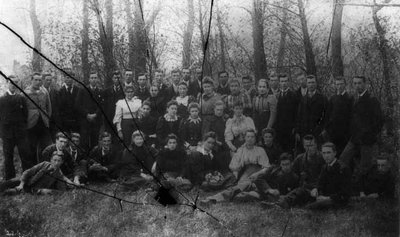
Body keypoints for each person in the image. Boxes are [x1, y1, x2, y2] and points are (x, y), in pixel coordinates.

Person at [200, 129, 270, 204]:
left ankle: (214, 199)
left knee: (239, 189)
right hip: (243, 174)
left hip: (257, 174)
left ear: (255, 138)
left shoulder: (260, 150)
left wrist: (257, 174)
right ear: (245, 138)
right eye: (248, 136)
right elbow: (233, 166)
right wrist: (239, 168)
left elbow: (266, 167)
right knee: (237, 187)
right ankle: (214, 199)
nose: (250, 139)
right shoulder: (240, 150)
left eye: (252, 137)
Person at [340, 76, 383, 184]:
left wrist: (370, 134)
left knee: (365, 166)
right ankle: (347, 184)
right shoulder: (354, 99)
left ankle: (363, 190)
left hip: (366, 140)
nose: (357, 85)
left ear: (365, 84)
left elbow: (380, 120)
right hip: (354, 138)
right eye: (355, 83)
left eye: (359, 83)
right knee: (342, 160)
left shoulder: (372, 99)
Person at [274, 135, 325, 208]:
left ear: (316, 145)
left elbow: (325, 178)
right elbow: (292, 172)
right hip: (303, 188)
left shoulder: (323, 158)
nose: (309, 148)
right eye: (307, 146)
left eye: (311, 145)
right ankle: (284, 199)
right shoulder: (300, 158)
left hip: (317, 190)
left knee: (300, 192)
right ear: (304, 146)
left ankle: (283, 202)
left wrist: (316, 188)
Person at [0, 151, 75, 195]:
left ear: (62, 162)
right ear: (51, 160)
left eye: (59, 161)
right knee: (7, 183)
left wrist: (45, 191)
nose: (56, 162)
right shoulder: (44, 164)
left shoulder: (58, 173)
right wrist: (21, 184)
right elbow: (28, 172)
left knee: (9, 192)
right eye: (54, 160)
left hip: (33, 189)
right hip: (25, 180)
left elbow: (62, 191)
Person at [0, 75, 31, 180]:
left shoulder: (21, 98)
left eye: (16, 82)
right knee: (8, 157)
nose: (13, 84)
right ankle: (9, 179)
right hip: (7, 134)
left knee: (25, 155)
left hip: (20, 132)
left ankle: (27, 178)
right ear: (7, 83)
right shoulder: (1, 99)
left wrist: (22, 128)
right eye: (11, 82)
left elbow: (25, 115)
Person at [306, 142, 351, 209]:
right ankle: (286, 201)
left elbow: (345, 193)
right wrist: (316, 189)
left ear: (335, 153)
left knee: (311, 207)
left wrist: (327, 198)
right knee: (303, 191)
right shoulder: (325, 167)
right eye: (324, 153)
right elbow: (320, 184)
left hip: (337, 200)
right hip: (325, 197)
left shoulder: (343, 168)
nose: (326, 156)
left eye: (328, 153)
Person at [25, 72, 52, 163]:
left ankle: (45, 168)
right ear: (31, 80)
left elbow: (49, 107)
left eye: (40, 80)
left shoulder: (44, 91)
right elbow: (23, 110)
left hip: (44, 123)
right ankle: (33, 170)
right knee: (31, 148)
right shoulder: (26, 92)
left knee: (47, 147)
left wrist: (47, 118)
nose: (38, 82)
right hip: (31, 124)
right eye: (35, 80)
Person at [323, 76, 353, 156]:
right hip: (333, 133)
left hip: (345, 134)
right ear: (335, 85)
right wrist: (328, 129)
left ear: (345, 84)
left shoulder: (350, 98)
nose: (339, 86)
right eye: (337, 84)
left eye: (341, 84)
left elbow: (351, 117)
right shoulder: (333, 98)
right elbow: (328, 115)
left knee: (345, 156)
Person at [75, 71, 103, 150]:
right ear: (89, 79)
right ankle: (85, 159)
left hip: (96, 120)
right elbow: (77, 105)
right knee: (84, 142)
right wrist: (87, 114)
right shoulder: (82, 90)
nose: (94, 80)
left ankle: (94, 159)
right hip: (85, 120)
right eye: (92, 78)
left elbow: (101, 105)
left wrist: (96, 114)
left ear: (97, 79)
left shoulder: (100, 91)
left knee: (95, 142)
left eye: (95, 78)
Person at [295, 75, 328, 141]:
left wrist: (324, 129)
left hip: (318, 131)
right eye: (309, 83)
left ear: (316, 83)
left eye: (313, 82)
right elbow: (299, 116)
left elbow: (327, 115)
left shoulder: (322, 98)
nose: (311, 85)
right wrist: (297, 131)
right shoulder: (303, 99)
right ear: (306, 84)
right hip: (305, 132)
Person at [275, 74, 299, 152]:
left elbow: (297, 112)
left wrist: (295, 127)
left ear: (288, 82)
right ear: (279, 82)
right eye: (282, 81)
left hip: (290, 128)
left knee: (289, 149)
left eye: (285, 81)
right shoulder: (276, 95)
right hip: (279, 127)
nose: (284, 83)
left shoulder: (293, 95)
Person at [103, 70, 125, 135]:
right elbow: (105, 106)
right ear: (112, 79)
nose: (117, 79)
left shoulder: (125, 91)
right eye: (115, 78)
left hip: (121, 119)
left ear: (121, 78)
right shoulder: (107, 91)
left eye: (118, 78)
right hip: (109, 118)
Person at [42, 73, 58, 139]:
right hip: (43, 120)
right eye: (47, 80)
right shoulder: (40, 91)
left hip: (53, 120)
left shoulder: (55, 91)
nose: (49, 82)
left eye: (50, 80)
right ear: (43, 80)